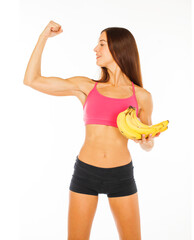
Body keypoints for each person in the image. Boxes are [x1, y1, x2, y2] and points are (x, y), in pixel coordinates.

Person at [23, 20, 161, 240]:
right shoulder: (86, 87)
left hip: (121, 175)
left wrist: (146, 142)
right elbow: (32, 80)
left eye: (101, 44)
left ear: (118, 48)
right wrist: (43, 38)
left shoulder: (142, 97)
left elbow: (148, 142)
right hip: (86, 173)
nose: (95, 49)